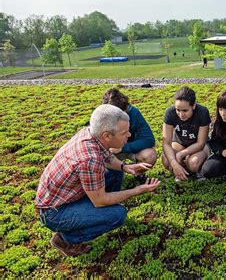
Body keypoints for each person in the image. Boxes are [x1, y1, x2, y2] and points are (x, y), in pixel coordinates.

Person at [35, 104, 160, 257]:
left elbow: (106, 157)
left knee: (116, 171)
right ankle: (65, 239)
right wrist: (136, 191)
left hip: (66, 195)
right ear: (107, 135)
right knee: (117, 215)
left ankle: (95, 214)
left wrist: (125, 167)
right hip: (55, 212)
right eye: (124, 132)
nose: (129, 135)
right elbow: (100, 200)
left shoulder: (90, 133)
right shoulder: (89, 159)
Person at [162, 86, 211, 181]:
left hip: (198, 145)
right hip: (179, 143)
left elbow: (201, 143)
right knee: (166, 160)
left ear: (193, 105)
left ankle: (197, 165)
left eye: (185, 110)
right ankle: (181, 168)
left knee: (194, 163)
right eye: (178, 110)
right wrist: (173, 162)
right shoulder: (170, 112)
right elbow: (166, 143)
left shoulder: (202, 112)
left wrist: (180, 155)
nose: (181, 114)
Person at [102, 88, 157, 169]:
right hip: (109, 153)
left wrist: (123, 148)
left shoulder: (133, 112)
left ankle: (137, 174)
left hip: (127, 149)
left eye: (124, 113)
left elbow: (149, 140)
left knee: (150, 155)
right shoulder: (101, 117)